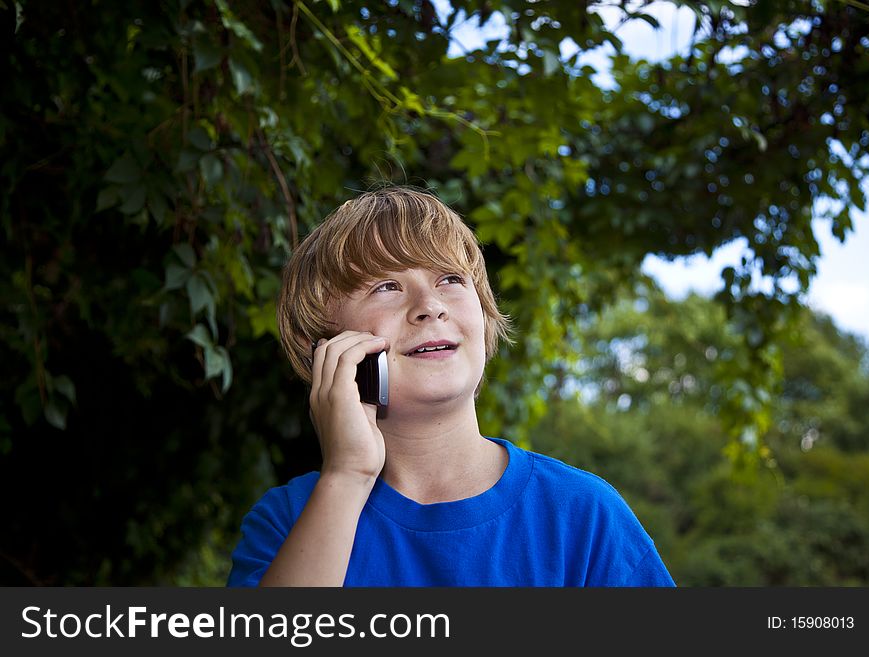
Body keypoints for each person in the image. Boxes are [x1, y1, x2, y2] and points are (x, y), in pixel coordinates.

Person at [227, 185, 675, 587]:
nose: (431, 306)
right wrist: (346, 477)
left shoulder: (581, 514)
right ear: (324, 346)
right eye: (387, 286)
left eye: (450, 280)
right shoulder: (290, 520)